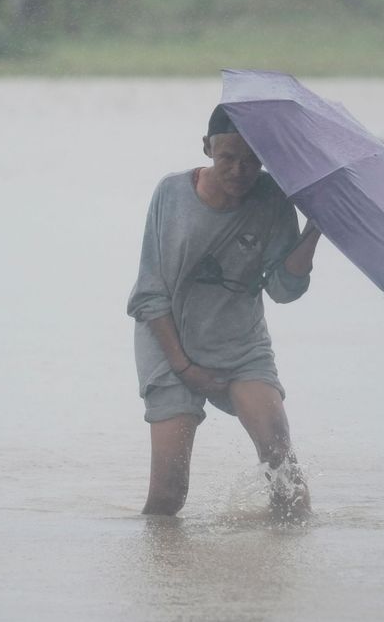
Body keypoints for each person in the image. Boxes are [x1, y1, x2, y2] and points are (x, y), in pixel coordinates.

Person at [126, 105, 322, 519]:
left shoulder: (273, 200)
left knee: (285, 478)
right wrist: (183, 367)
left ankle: (282, 573)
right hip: (168, 342)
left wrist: (315, 231)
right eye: (227, 158)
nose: (238, 171)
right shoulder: (171, 194)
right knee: (168, 497)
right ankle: (162, 580)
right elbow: (148, 295)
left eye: (252, 160)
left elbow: (283, 291)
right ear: (206, 149)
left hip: (240, 346)